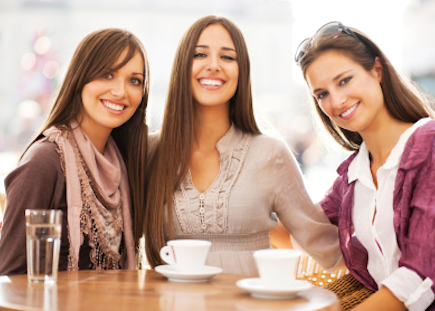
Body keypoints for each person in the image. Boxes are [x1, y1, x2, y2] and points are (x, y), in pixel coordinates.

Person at [144, 15, 342, 276]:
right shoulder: (150, 152)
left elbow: (328, 248)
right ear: (182, 65)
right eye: (200, 55)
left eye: (228, 57)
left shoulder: (270, 154)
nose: (214, 65)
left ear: (242, 72)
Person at [296, 21, 435, 310]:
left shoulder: (428, 145)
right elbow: (308, 234)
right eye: (321, 93)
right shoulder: (353, 174)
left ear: (377, 70)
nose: (336, 101)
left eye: (344, 80)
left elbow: (421, 274)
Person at [0, 28, 149, 275]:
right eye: (108, 74)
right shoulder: (45, 162)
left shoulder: (125, 162)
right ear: (80, 78)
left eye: (134, 80)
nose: (121, 91)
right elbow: (7, 277)